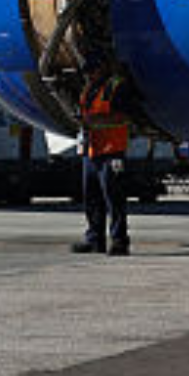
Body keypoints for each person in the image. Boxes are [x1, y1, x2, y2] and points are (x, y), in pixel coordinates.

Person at [72, 75, 132, 257]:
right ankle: (95, 239)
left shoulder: (116, 86)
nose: (89, 73)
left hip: (112, 150)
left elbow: (124, 116)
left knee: (114, 198)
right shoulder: (88, 88)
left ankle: (119, 241)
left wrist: (95, 121)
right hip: (92, 150)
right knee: (92, 199)